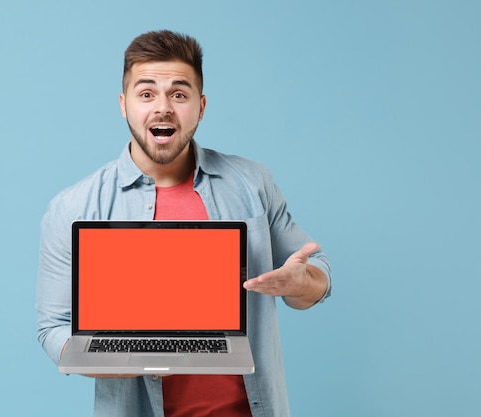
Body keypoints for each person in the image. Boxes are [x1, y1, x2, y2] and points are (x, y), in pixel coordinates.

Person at [37, 30, 332, 417]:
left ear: (201, 106)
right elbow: (53, 328)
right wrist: (130, 356)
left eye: (179, 94)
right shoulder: (74, 206)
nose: (163, 108)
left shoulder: (252, 183)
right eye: (146, 94)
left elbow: (317, 275)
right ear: (124, 105)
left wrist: (299, 283)